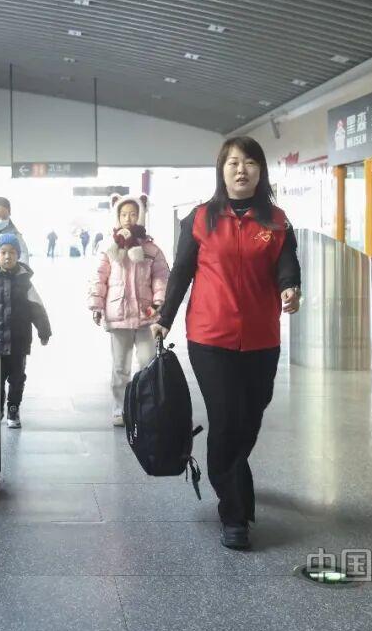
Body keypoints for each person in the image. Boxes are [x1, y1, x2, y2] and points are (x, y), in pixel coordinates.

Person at [153, 136, 301, 551]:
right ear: (221, 170)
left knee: (249, 418)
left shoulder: (276, 221)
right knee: (226, 417)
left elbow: (287, 264)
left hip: (261, 337)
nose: (241, 169)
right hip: (210, 336)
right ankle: (234, 513)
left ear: (261, 171)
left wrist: (290, 287)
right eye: (233, 162)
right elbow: (181, 272)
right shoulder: (201, 218)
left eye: (250, 162)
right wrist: (164, 318)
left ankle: (233, 473)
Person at [88, 194, 169, 426]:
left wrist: (159, 302)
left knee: (148, 363)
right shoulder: (109, 248)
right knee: (120, 367)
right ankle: (120, 408)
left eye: (133, 214)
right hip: (119, 315)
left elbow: (162, 277)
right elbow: (99, 278)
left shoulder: (152, 249)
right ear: (117, 216)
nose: (128, 218)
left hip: (146, 316)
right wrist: (96, 305)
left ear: (141, 216)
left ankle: (146, 407)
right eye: (123, 214)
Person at [0, 234, 51, 429]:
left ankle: (13, 408)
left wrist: (44, 331)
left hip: (19, 341)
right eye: (3, 252)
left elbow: (37, 307)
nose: (7, 256)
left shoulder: (25, 282)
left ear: (18, 256)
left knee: (17, 377)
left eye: (12, 252)